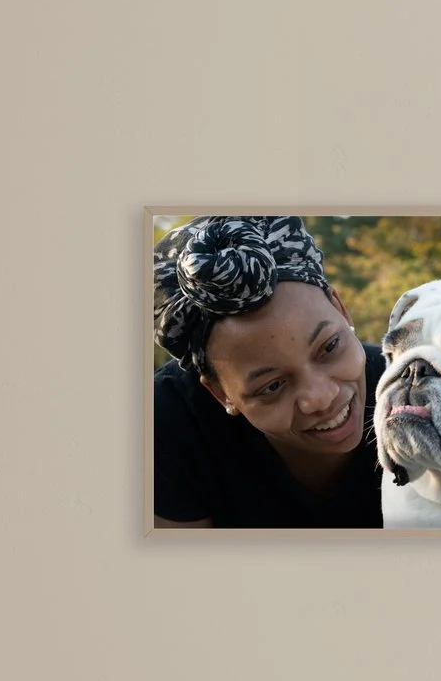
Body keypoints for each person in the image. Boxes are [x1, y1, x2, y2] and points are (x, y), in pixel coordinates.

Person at [151, 216, 384, 528]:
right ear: (221, 393)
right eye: (272, 386)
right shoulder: (168, 425)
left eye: (329, 348)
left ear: (340, 309)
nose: (321, 398)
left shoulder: (417, 385)